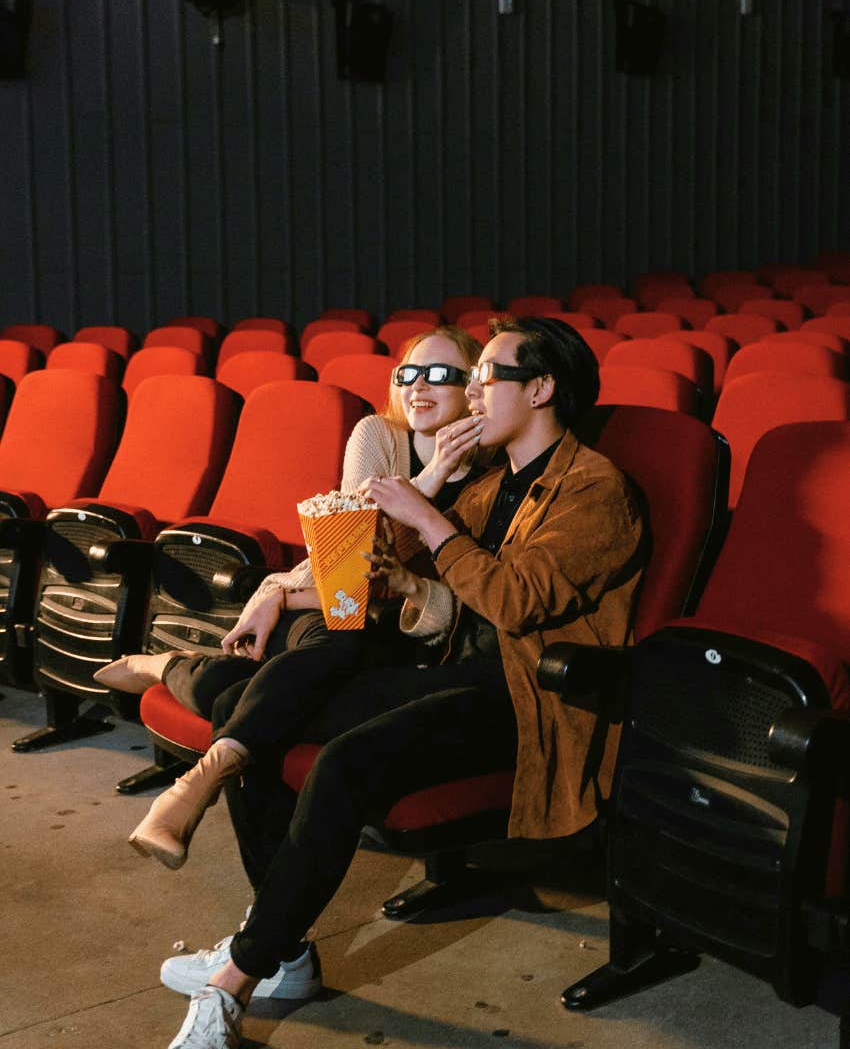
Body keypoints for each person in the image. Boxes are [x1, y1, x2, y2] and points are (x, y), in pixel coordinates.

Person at [159, 316, 647, 1049]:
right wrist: (430, 484)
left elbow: (517, 601)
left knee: (342, 762)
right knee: (262, 721)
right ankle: (283, 951)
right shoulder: (493, 483)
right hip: (455, 672)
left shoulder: (597, 490)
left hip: (529, 699)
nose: (474, 392)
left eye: (489, 376)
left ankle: (239, 976)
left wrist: (428, 518)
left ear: (542, 389)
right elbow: (369, 561)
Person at [104, 328, 487, 873]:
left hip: (400, 630)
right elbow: (349, 553)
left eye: (441, 375)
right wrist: (279, 591)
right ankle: (204, 777)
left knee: (231, 693)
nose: (419, 386)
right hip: (324, 604)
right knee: (339, 639)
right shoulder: (377, 434)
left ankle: (171, 667)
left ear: (474, 387)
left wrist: (280, 595)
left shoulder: (496, 472)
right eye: (408, 374)